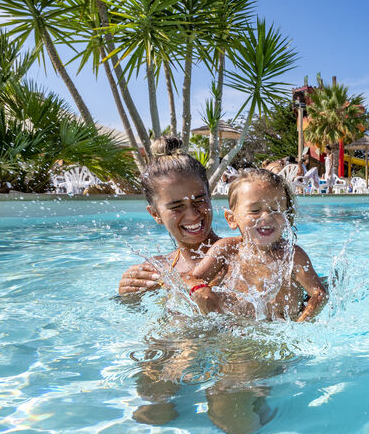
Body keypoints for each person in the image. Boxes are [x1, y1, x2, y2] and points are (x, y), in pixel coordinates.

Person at [188, 168, 328, 322]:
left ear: (287, 216)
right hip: (234, 329)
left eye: (276, 209)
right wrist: (200, 291)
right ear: (231, 218)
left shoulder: (293, 256)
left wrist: (301, 323)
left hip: (278, 330)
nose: (267, 217)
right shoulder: (227, 249)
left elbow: (319, 294)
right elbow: (190, 278)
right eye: (255, 210)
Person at [117, 135, 221, 296]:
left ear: (210, 198)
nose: (192, 215)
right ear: (155, 214)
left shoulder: (237, 254)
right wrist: (128, 296)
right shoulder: (157, 269)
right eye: (177, 207)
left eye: (199, 201)